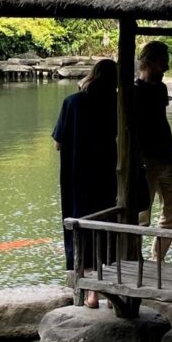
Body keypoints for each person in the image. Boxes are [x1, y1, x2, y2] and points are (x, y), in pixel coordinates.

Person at [53, 59, 118, 307]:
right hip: (107, 176)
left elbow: (58, 142)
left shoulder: (73, 102)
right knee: (107, 228)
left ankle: (90, 294)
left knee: (80, 230)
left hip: (76, 178)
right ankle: (111, 294)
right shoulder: (116, 104)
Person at [134, 41, 172, 260]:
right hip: (144, 162)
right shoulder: (132, 92)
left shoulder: (161, 89)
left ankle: (157, 259)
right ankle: (135, 259)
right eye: (163, 64)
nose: (167, 69)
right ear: (149, 63)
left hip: (167, 158)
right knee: (142, 215)